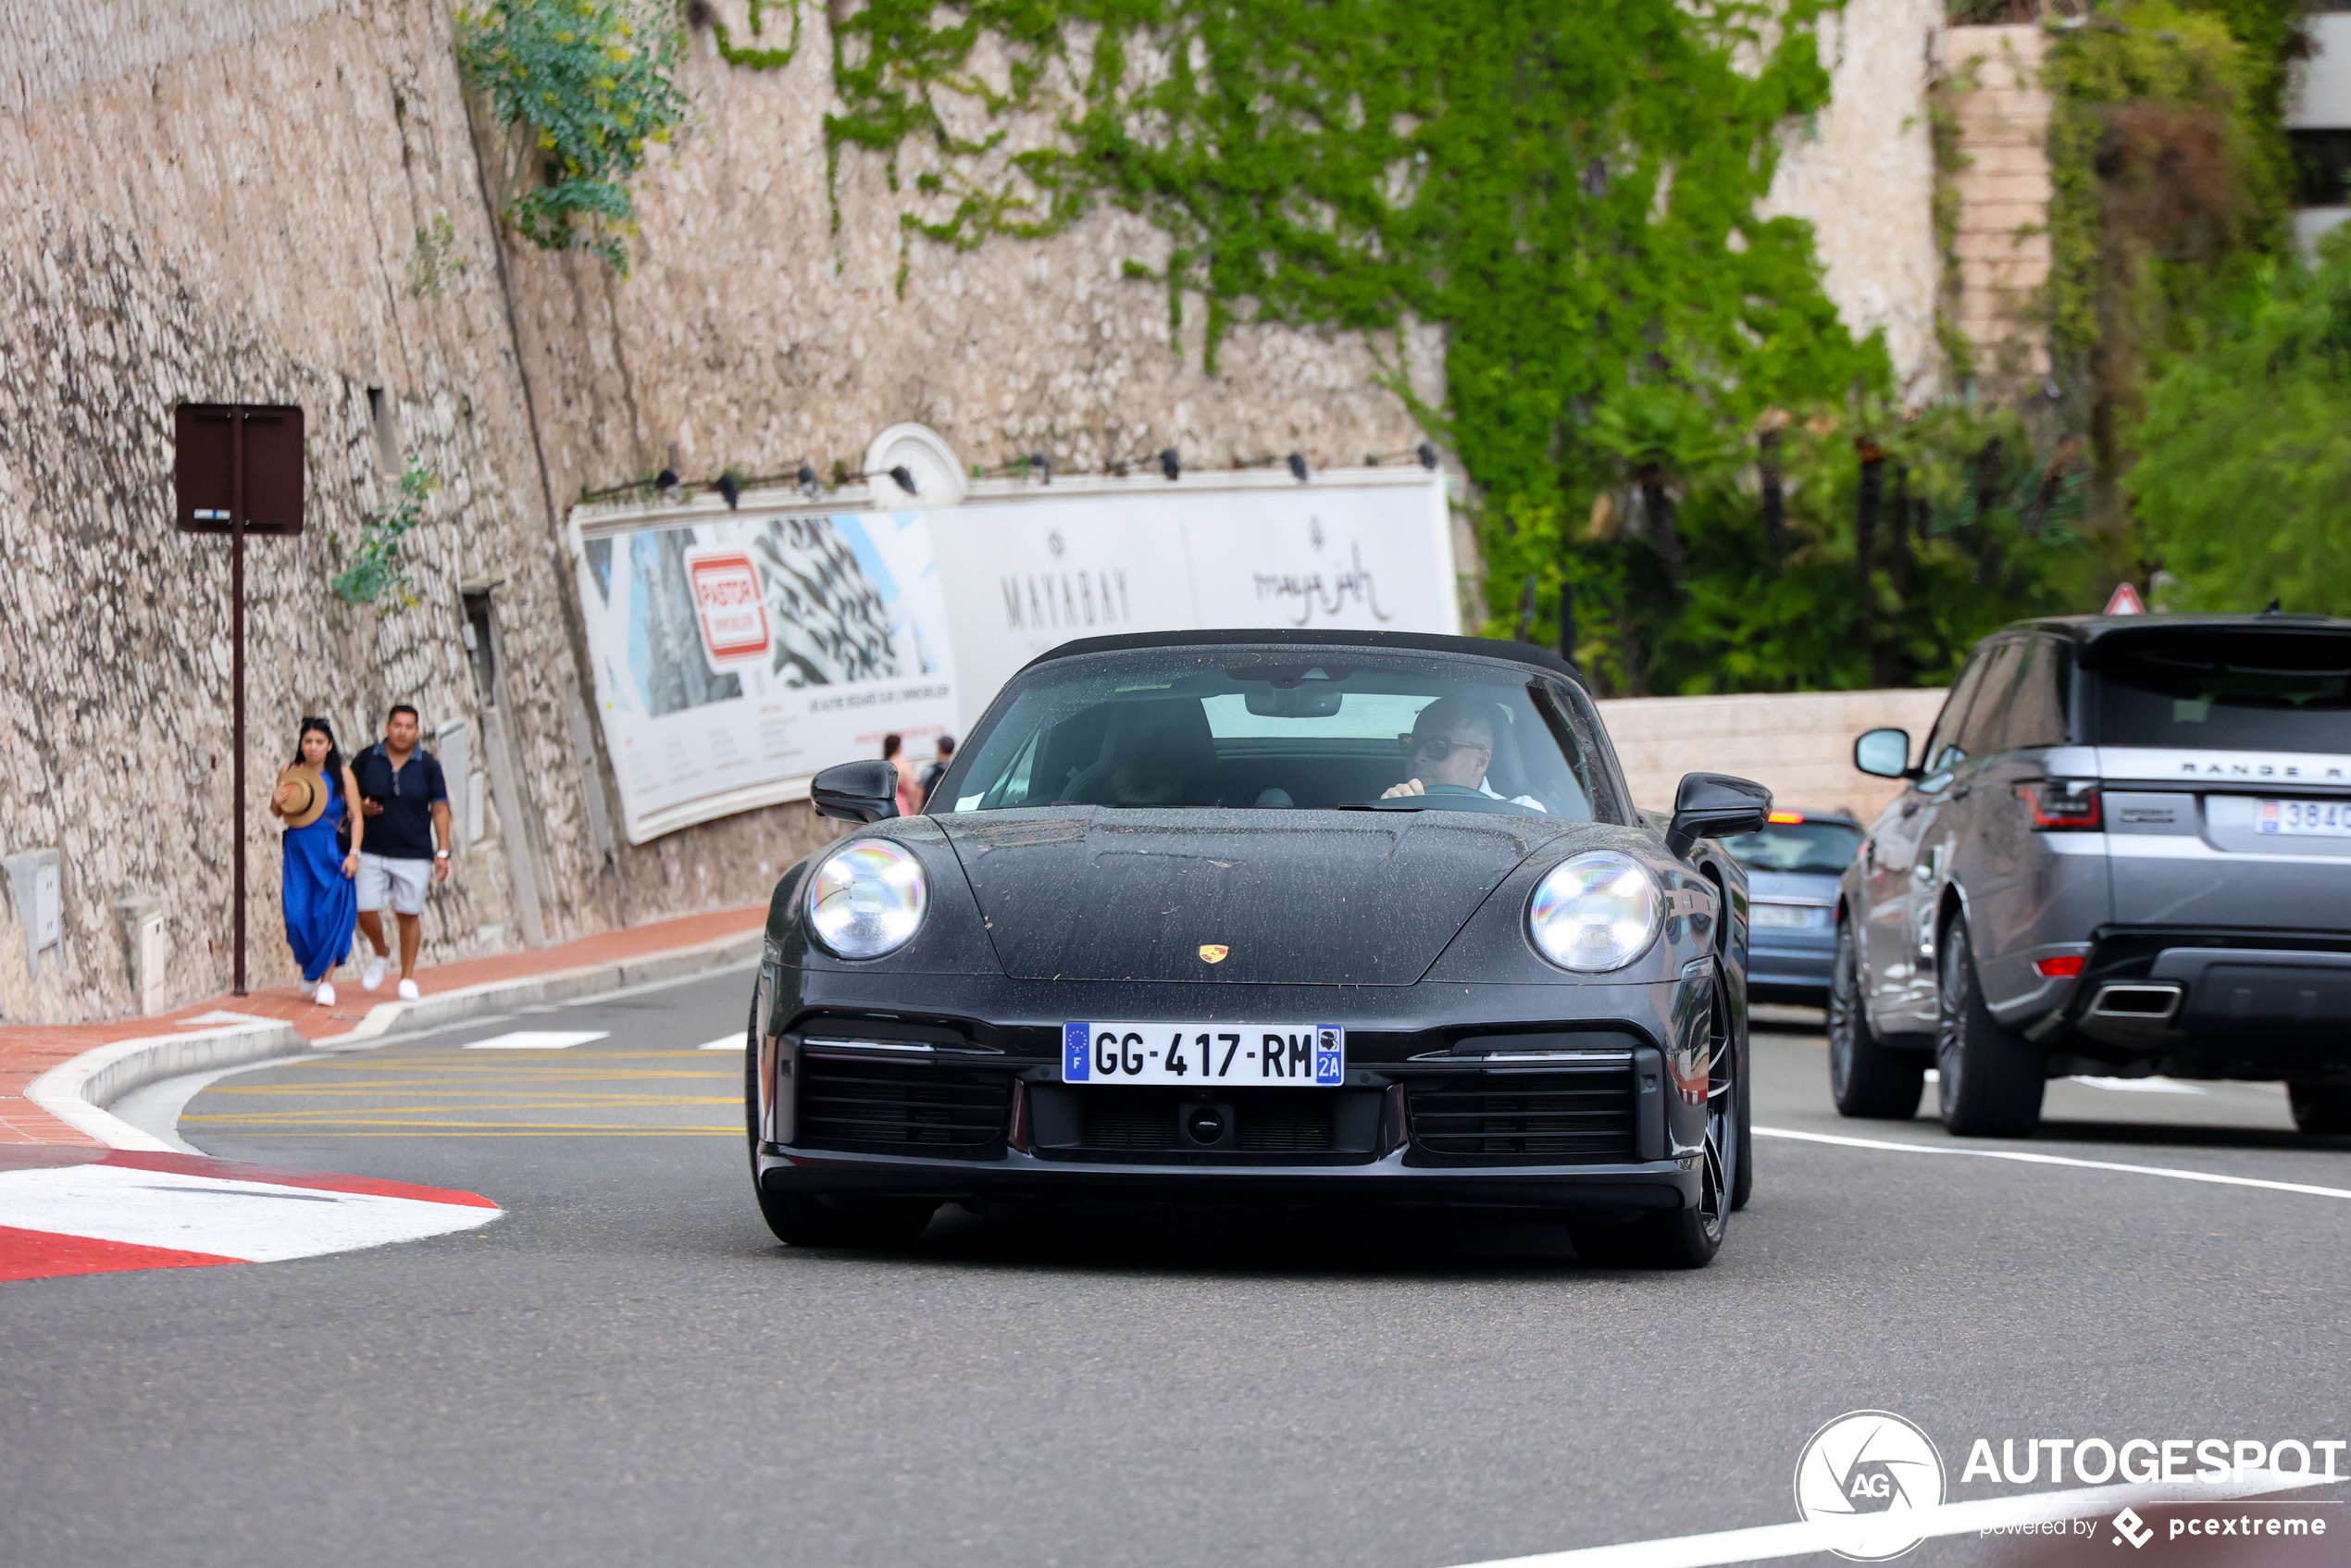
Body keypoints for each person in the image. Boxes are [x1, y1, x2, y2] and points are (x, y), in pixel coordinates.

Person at [350, 703, 451, 1001]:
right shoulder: (368, 759)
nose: (403, 732)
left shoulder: (429, 766)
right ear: (387, 727)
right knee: (364, 907)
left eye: (409, 727)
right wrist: (362, 809)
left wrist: (443, 852)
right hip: (371, 849)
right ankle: (381, 951)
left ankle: (406, 977)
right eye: (398, 725)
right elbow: (348, 796)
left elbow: (441, 809)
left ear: (417, 731)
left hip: (414, 853)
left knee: (408, 914)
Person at [269, 717, 361, 1005]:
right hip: (298, 848)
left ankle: (326, 981)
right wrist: (275, 798)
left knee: (328, 915)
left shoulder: (342, 775)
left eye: (319, 742)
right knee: (296, 916)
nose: (313, 747)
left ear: (329, 745)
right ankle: (310, 967)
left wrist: (354, 854)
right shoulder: (289, 771)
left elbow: (357, 816)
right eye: (308, 742)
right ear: (301, 744)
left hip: (330, 849)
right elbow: (278, 812)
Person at [1381, 694, 1548, 811]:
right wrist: (1389, 813)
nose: (1418, 757)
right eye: (1412, 744)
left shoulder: (1522, 812)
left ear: (1480, 761)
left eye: (1438, 747)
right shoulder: (1395, 804)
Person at [882, 732, 922, 817]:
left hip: (884, 810)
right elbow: (911, 789)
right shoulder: (903, 764)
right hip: (901, 808)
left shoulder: (882, 766)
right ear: (899, 747)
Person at [916, 734, 956, 803]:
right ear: (952, 751)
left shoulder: (930, 771)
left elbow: (919, 792)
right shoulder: (955, 770)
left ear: (939, 749)